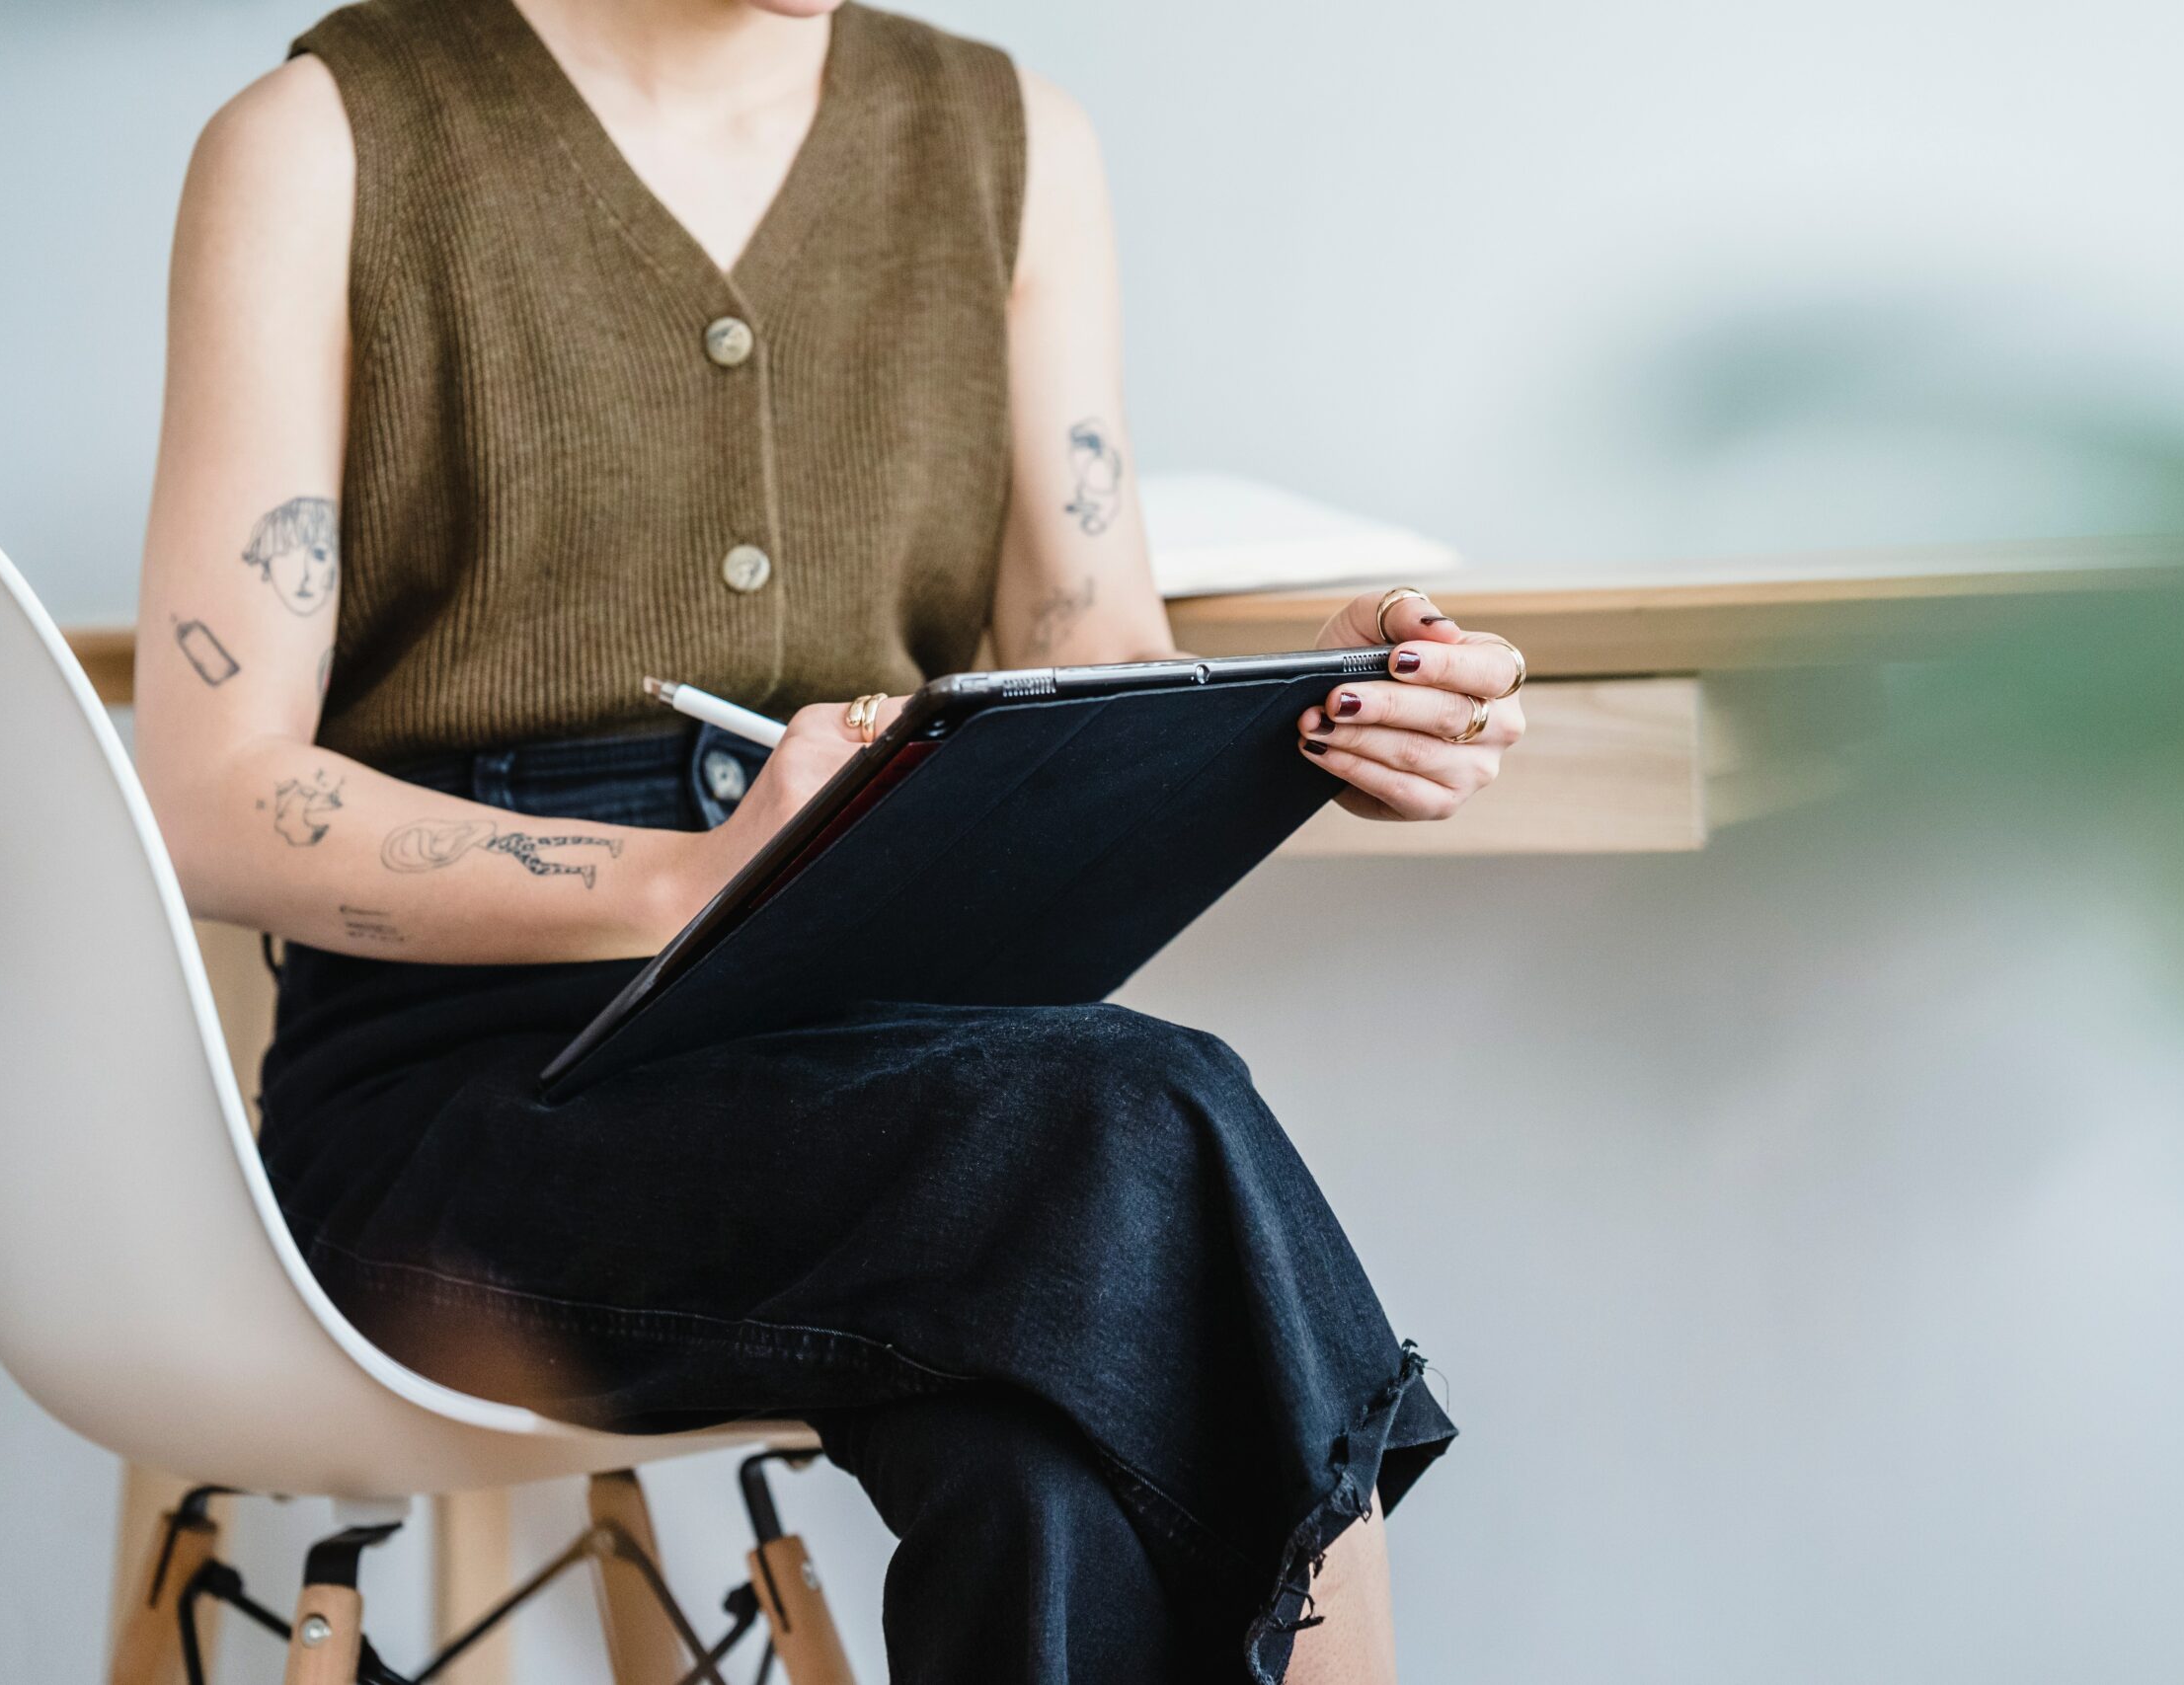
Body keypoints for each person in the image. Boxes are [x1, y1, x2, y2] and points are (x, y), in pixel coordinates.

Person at [130, 1, 1526, 1679]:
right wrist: (682, 879)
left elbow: (1090, 651)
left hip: (891, 1045)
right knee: (1140, 1113)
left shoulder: (1011, 137)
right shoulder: (321, 137)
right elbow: (210, 798)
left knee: (1049, 1456)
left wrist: (1328, 700)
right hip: (457, 1105)